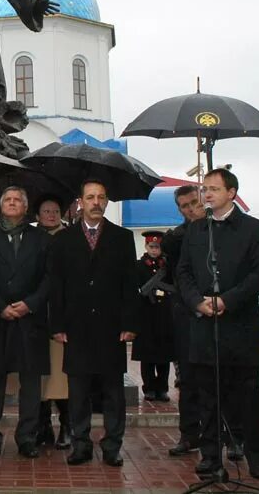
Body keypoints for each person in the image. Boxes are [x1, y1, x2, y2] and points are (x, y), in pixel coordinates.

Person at [176, 169, 259, 480]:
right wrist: (196, 302)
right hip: (205, 324)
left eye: (214, 189)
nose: (207, 194)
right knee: (208, 395)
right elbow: (184, 272)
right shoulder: (197, 230)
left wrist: (226, 300)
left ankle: (254, 455)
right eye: (205, 189)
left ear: (231, 193)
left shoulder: (253, 229)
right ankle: (211, 455)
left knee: (247, 395)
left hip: (240, 326)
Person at [49, 179, 139, 467]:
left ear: (107, 202)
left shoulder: (123, 238)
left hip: (111, 328)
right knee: (78, 393)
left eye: (101, 197)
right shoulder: (63, 240)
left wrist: (129, 323)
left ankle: (112, 445)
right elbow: (56, 285)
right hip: (75, 329)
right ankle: (81, 444)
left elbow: (129, 285)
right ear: (80, 202)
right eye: (90, 197)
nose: (96, 202)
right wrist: (57, 325)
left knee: (113, 392)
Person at [0, 187, 51, 460]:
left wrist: (30, 304)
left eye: (18, 200)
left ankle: (27, 437)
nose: (13, 203)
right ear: (1, 205)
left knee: (31, 383)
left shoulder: (41, 239)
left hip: (31, 319)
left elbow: (50, 278)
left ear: (26, 207)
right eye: (8, 199)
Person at [161, 185, 206, 457]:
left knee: (220, 379)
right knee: (187, 378)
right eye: (185, 206)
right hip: (187, 315)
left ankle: (230, 434)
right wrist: (196, 225)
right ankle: (190, 434)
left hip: (218, 313)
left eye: (194, 203)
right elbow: (173, 248)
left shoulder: (219, 229)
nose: (191, 209)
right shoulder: (177, 237)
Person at [33, 195, 70, 449]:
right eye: (46, 211)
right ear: (37, 216)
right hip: (36, 315)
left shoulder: (70, 237)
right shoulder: (32, 239)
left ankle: (67, 425)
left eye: (55, 210)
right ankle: (42, 425)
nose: (51, 214)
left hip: (63, 315)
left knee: (62, 376)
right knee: (39, 376)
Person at [132, 231, 175, 403]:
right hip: (146, 315)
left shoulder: (168, 266)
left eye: (157, 247)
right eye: (152, 246)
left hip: (164, 314)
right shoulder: (139, 265)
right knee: (147, 355)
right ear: (146, 246)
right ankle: (149, 388)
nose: (155, 250)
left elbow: (174, 286)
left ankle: (162, 388)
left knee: (164, 355)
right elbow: (136, 289)